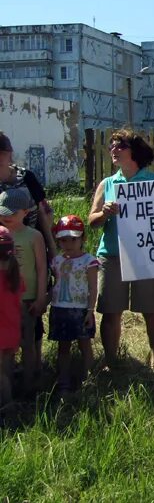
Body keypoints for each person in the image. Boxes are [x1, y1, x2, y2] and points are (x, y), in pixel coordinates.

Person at [88, 129, 154, 369]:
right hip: (112, 255)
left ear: (134, 151)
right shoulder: (107, 184)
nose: (113, 150)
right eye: (111, 146)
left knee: (152, 310)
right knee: (111, 311)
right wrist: (105, 213)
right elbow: (92, 220)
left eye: (119, 146)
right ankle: (111, 362)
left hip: (145, 256)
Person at [0, 188, 48, 393]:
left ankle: (29, 385)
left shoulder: (34, 236)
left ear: (25, 212)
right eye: (2, 212)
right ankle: (8, 385)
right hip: (4, 303)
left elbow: (41, 268)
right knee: (5, 348)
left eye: (11, 212)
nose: (6, 216)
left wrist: (40, 298)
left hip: (27, 301)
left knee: (28, 344)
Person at [48, 215, 98, 395]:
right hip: (59, 309)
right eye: (63, 239)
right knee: (63, 348)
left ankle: (88, 380)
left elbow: (93, 288)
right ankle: (63, 382)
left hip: (81, 310)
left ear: (83, 238)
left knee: (85, 346)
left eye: (73, 239)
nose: (68, 243)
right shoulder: (56, 261)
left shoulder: (89, 261)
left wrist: (90, 310)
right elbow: (55, 284)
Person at [0, 132, 56, 262]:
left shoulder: (27, 177)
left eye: (1, 153)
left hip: (33, 247)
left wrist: (52, 250)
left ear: (9, 154)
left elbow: (43, 213)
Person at [0, 225, 24, 410]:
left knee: (1, 374)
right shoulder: (15, 275)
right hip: (12, 330)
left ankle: (8, 405)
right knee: (7, 368)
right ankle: (10, 401)